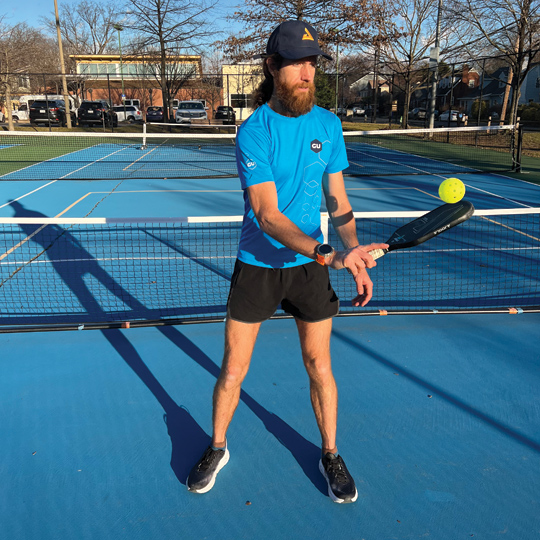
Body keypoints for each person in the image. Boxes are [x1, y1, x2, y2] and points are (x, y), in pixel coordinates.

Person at [187, 20, 388, 503]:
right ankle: (217, 446)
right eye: (296, 62)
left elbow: (338, 202)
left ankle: (331, 452)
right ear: (272, 67)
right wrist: (327, 252)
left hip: (309, 271)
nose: (307, 72)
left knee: (319, 364)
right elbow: (267, 215)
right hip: (257, 264)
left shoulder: (329, 125)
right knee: (234, 369)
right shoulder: (254, 131)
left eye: (313, 62)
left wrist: (353, 250)